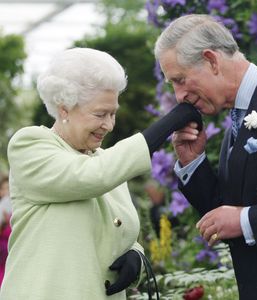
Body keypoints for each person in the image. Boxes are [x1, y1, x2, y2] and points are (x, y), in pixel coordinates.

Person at [0, 47, 202, 300]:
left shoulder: (107, 161)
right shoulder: (29, 145)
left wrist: (136, 257)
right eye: (100, 114)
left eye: (113, 113)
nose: (109, 124)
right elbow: (91, 177)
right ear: (64, 109)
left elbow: (118, 230)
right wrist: (168, 123)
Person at [154, 14, 257, 300]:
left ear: (211, 60)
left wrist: (247, 221)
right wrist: (192, 163)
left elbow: (239, 218)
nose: (179, 95)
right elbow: (225, 213)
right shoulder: (237, 116)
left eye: (180, 80)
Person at [0, 175, 11, 286]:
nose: (6, 192)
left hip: (10, 254)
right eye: (3, 189)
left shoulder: (15, 210)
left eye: (8, 188)